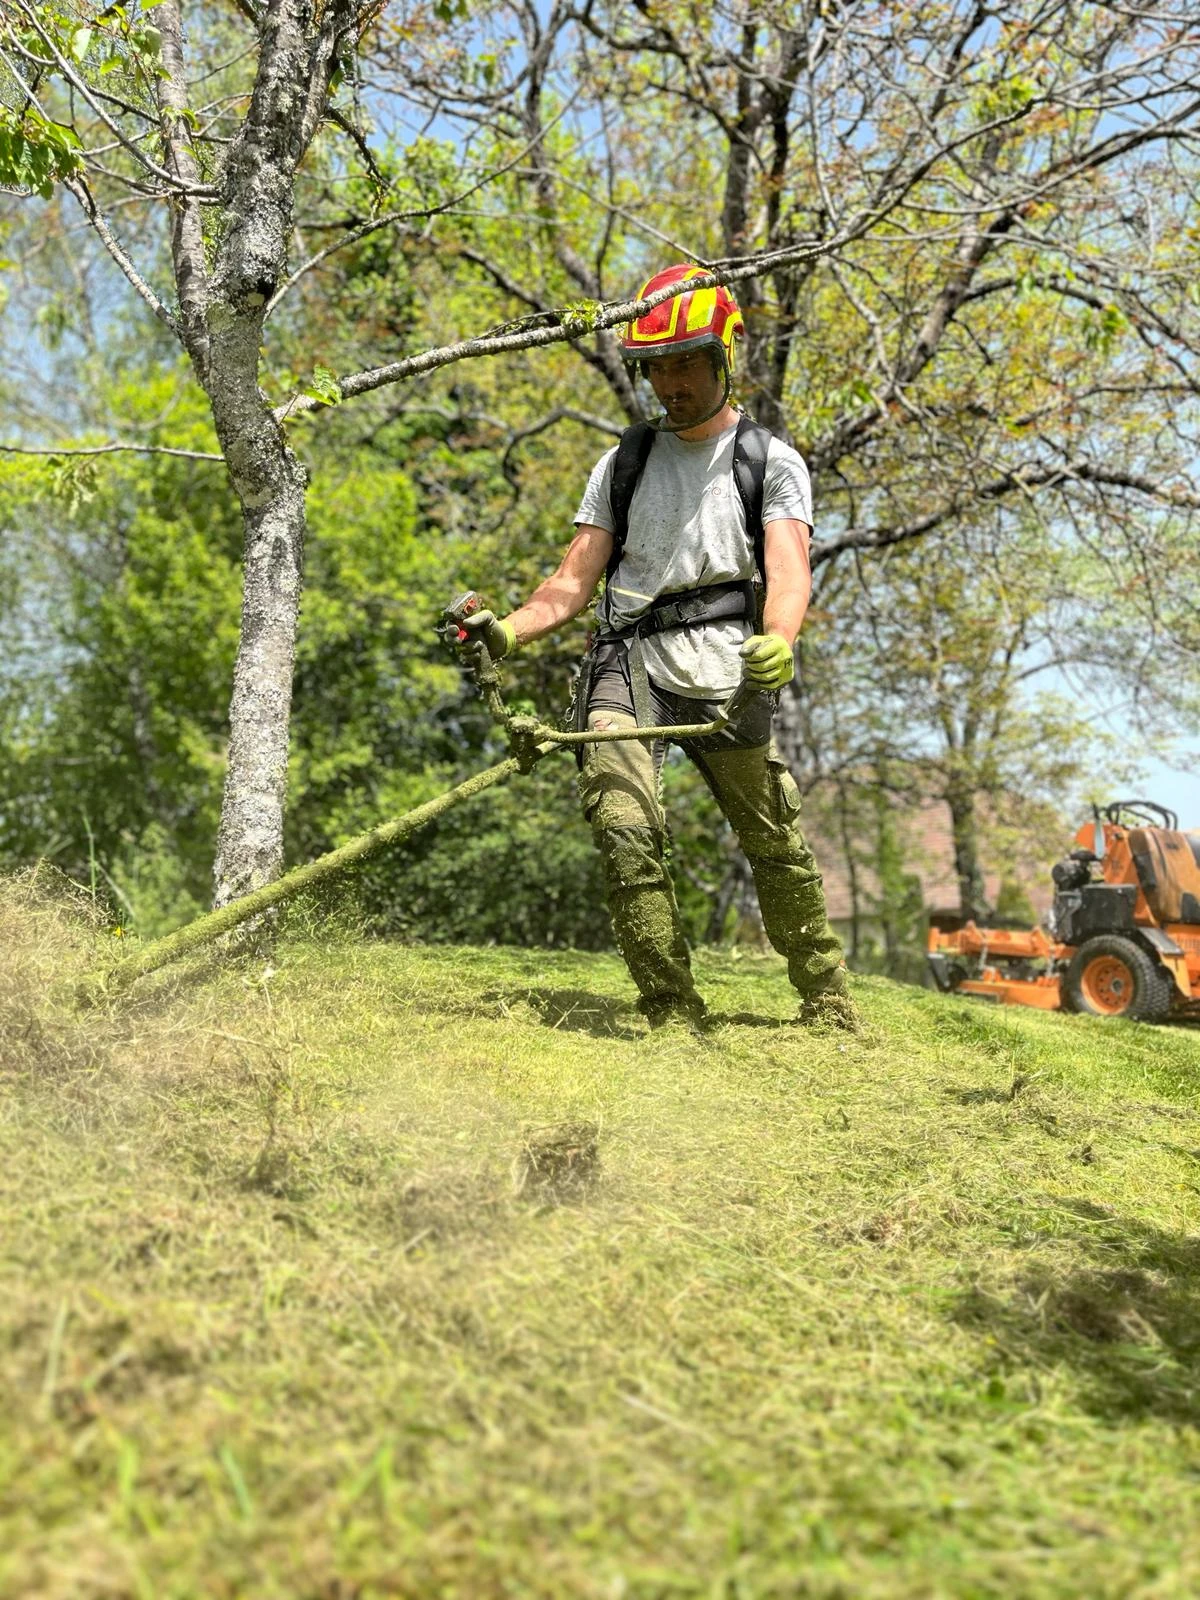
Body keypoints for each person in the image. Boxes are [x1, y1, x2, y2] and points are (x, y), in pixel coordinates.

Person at [460, 264, 859, 1030]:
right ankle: (671, 1006)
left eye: (685, 363)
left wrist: (779, 640)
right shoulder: (624, 464)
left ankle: (826, 995)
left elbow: (788, 571)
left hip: (730, 663)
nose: (670, 383)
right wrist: (507, 628)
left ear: (722, 358)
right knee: (622, 823)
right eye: (656, 367)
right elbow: (573, 580)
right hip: (629, 659)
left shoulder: (770, 462)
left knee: (772, 837)